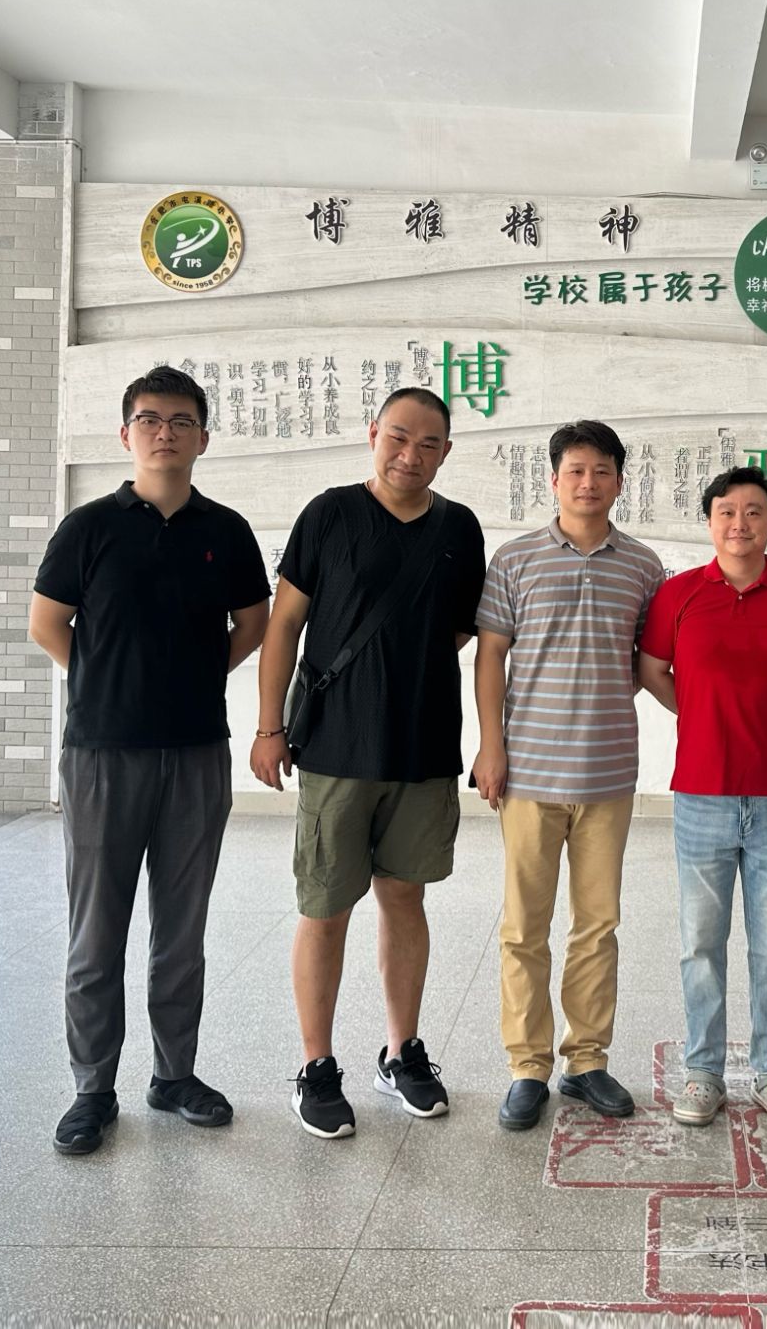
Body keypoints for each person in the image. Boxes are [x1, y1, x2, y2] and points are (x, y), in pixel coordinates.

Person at [29, 365, 272, 1156]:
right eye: (149, 419)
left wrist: (193, 680)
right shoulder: (89, 527)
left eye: (181, 420)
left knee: (181, 931)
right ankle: (92, 1089)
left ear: (203, 437)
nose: (165, 432)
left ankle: (174, 1076)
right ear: (125, 434)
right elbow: (47, 624)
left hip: (197, 753)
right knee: (96, 934)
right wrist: (107, 682)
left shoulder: (225, 531)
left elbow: (253, 623)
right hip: (103, 754)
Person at [251, 387, 486, 1140]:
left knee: (405, 899)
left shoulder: (459, 528)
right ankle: (317, 1066)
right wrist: (268, 727)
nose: (410, 455)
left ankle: (400, 1052)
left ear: (445, 453)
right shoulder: (329, 514)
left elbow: (457, 631)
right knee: (325, 908)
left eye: (428, 444)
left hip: (422, 748)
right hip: (336, 749)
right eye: (398, 437)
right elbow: (285, 625)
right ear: (372, 434)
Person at [474, 420, 667, 1132]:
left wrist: (597, 701)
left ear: (619, 481)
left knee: (597, 925)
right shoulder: (515, 559)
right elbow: (490, 656)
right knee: (524, 927)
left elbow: (646, 663)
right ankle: (526, 1068)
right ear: (553, 480)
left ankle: (585, 1060)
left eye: (602, 471)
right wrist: (490, 747)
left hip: (608, 774)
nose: (589, 482)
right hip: (527, 771)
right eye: (576, 471)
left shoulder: (643, 567)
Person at [638, 466, 767, 1129]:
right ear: (709, 521)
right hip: (701, 793)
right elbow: (653, 670)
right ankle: (702, 1072)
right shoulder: (678, 594)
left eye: (754, 511)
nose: (740, 523)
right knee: (701, 942)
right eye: (726, 511)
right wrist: (698, 714)